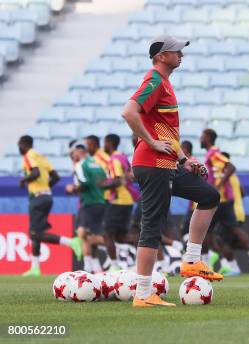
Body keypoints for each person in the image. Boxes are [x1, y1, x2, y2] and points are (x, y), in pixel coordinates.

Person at [122, 35, 221, 308]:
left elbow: (163, 131)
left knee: (209, 195)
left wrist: (184, 160)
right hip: (152, 164)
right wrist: (151, 143)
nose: (182, 55)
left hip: (165, 164)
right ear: (162, 56)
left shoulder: (163, 83)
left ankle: (191, 260)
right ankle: (143, 294)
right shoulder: (154, 80)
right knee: (152, 226)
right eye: (177, 51)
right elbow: (129, 111)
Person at [201, 129, 249, 276]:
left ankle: (205, 264)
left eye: (202, 137)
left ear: (208, 138)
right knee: (231, 230)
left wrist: (218, 186)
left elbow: (230, 167)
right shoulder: (211, 154)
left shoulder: (213, 152)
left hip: (219, 200)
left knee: (205, 231)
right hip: (224, 200)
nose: (200, 139)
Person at [18, 135, 82, 276]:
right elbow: (56, 177)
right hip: (46, 196)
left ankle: (71, 242)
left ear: (22, 145)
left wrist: (24, 180)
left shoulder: (29, 155)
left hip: (38, 198)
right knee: (35, 232)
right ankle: (35, 268)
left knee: (36, 233)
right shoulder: (42, 157)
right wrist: (46, 188)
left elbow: (35, 172)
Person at [65, 142, 108, 274]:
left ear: (79, 152)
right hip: (100, 202)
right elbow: (104, 181)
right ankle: (92, 266)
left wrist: (72, 188)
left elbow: (84, 183)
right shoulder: (96, 163)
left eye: (73, 153)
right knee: (90, 235)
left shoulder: (80, 165)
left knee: (82, 233)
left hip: (89, 203)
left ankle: (118, 244)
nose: (72, 156)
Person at [100, 134, 140, 272]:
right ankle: (141, 256)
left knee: (107, 234)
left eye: (104, 143)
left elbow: (118, 180)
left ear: (109, 143)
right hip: (127, 200)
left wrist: (103, 185)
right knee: (121, 236)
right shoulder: (122, 156)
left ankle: (114, 265)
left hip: (119, 200)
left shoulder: (114, 159)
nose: (103, 145)